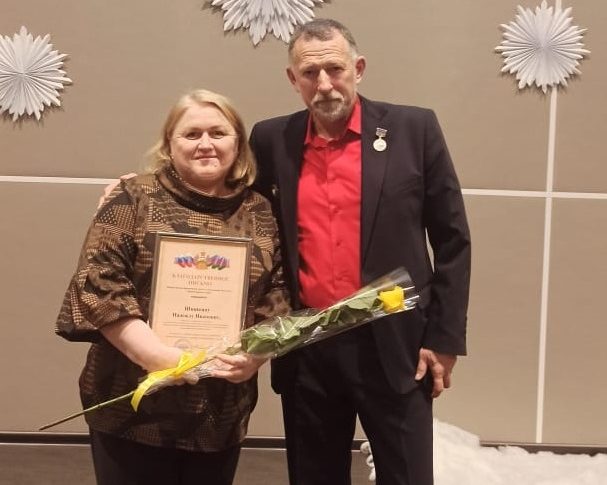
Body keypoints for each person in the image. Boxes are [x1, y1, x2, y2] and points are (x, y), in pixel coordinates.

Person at [249, 19, 471, 485]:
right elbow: (228, 201)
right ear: (293, 79)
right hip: (307, 345)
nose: (324, 84)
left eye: (335, 68)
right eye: (310, 73)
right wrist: (141, 185)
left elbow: (452, 239)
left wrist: (444, 338)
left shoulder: (414, 129)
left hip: (395, 345)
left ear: (359, 68)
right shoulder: (271, 140)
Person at [55, 89, 289, 485]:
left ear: (238, 143)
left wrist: (256, 354)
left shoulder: (260, 210)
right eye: (191, 134)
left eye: (218, 133)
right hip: (131, 402)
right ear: (169, 144)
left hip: (219, 408)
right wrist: (156, 356)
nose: (205, 144)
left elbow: (279, 293)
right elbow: (99, 283)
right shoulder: (132, 197)